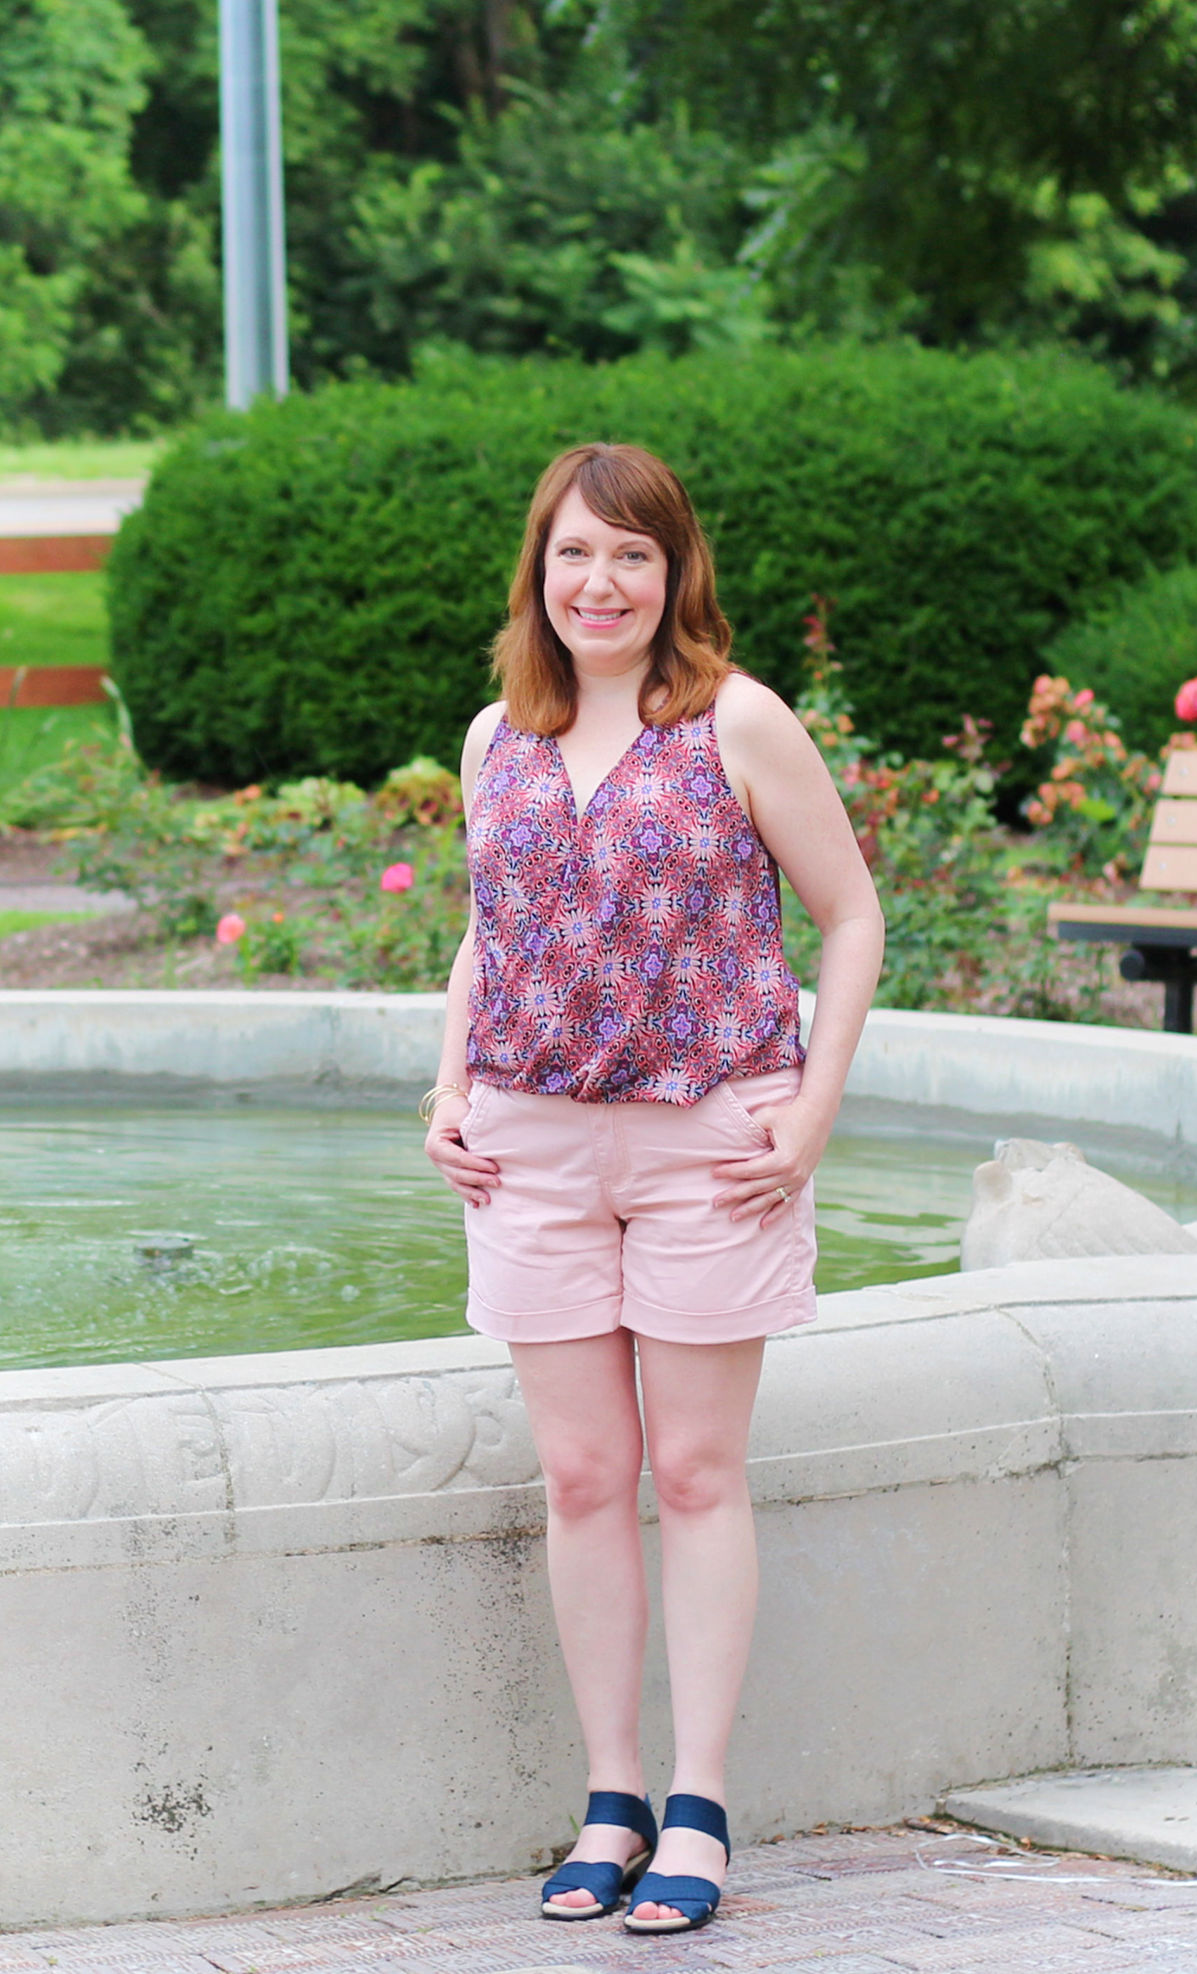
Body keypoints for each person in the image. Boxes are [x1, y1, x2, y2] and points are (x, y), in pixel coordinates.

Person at [423, 442, 883, 1934]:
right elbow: (490, 930)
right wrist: (447, 1088)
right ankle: (606, 1795)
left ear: (673, 571)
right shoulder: (499, 731)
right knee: (579, 1478)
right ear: (537, 574)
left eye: (631, 554)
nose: (599, 582)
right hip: (530, 1148)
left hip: (708, 1143)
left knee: (689, 1474)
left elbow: (850, 912)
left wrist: (810, 1110)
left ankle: (696, 1806)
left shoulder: (735, 721)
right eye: (573, 554)